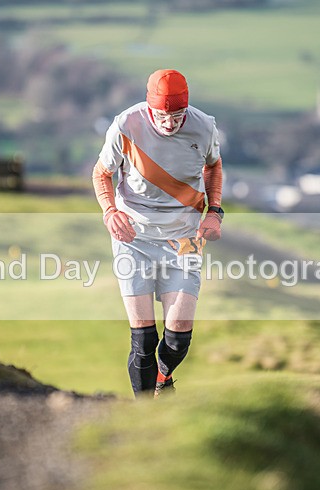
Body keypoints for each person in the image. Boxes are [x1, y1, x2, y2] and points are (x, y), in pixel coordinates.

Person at [91, 69, 224, 398]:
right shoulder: (126, 125)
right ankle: (145, 413)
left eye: (177, 116)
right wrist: (110, 211)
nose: (169, 124)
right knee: (145, 338)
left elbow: (213, 166)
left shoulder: (204, 125)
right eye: (162, 116)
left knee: (178, 336)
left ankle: (163, 377)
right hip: (134, 239)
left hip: (185, 238)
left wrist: (215, 210)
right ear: (150, 108)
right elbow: (102, 173)